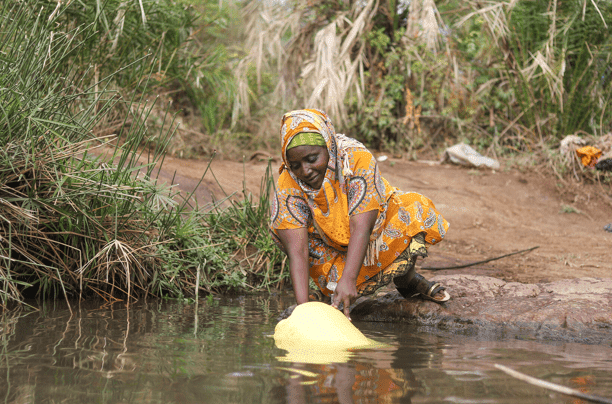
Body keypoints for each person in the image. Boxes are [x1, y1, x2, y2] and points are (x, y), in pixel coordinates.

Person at [270, 109, 450, 319]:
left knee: (413, 208)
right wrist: (302, 311)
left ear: (327, 145)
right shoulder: (289, 180)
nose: (305, 171)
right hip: (330, 244)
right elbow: (298, 250)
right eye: (296, 165)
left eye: (312, 158)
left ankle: (406, 278)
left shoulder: (355, 159)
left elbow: (361, 228)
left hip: (373, 232)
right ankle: (329, 290)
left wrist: (348, 280)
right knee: (282, 229)